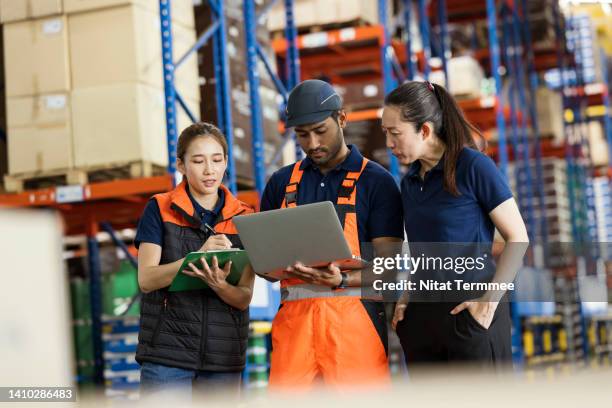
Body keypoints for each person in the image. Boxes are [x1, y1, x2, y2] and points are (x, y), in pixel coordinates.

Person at [260, 79, 404, 390]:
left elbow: (390, 269)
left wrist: (341, 281)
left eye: (320, 130)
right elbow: (266, 269)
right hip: (294, 331)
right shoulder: (280, 184)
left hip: (355, 330)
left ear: (341, 118)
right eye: (302, 134)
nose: (312, 143)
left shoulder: (377, 183)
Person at [382, 81, 528, 369]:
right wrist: (408, 294)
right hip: (423, 323)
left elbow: (518, 237)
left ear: (424, 130)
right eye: (385, 133)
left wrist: (488, 302)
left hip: (470, 314)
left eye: (395, 133)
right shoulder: (410, 183)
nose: (389, 143)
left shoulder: (474, 167)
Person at [134, 122, 255, 399]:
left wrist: (219, 284)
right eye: (198, 161)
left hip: (223, 358)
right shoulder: (159, 208)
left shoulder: (245, 218)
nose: (209, 170)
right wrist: (195, 259)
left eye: (216, 160)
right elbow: (146, 279)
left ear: (226, 162)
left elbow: (244, 297)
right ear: (180, 164)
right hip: (167, 355)